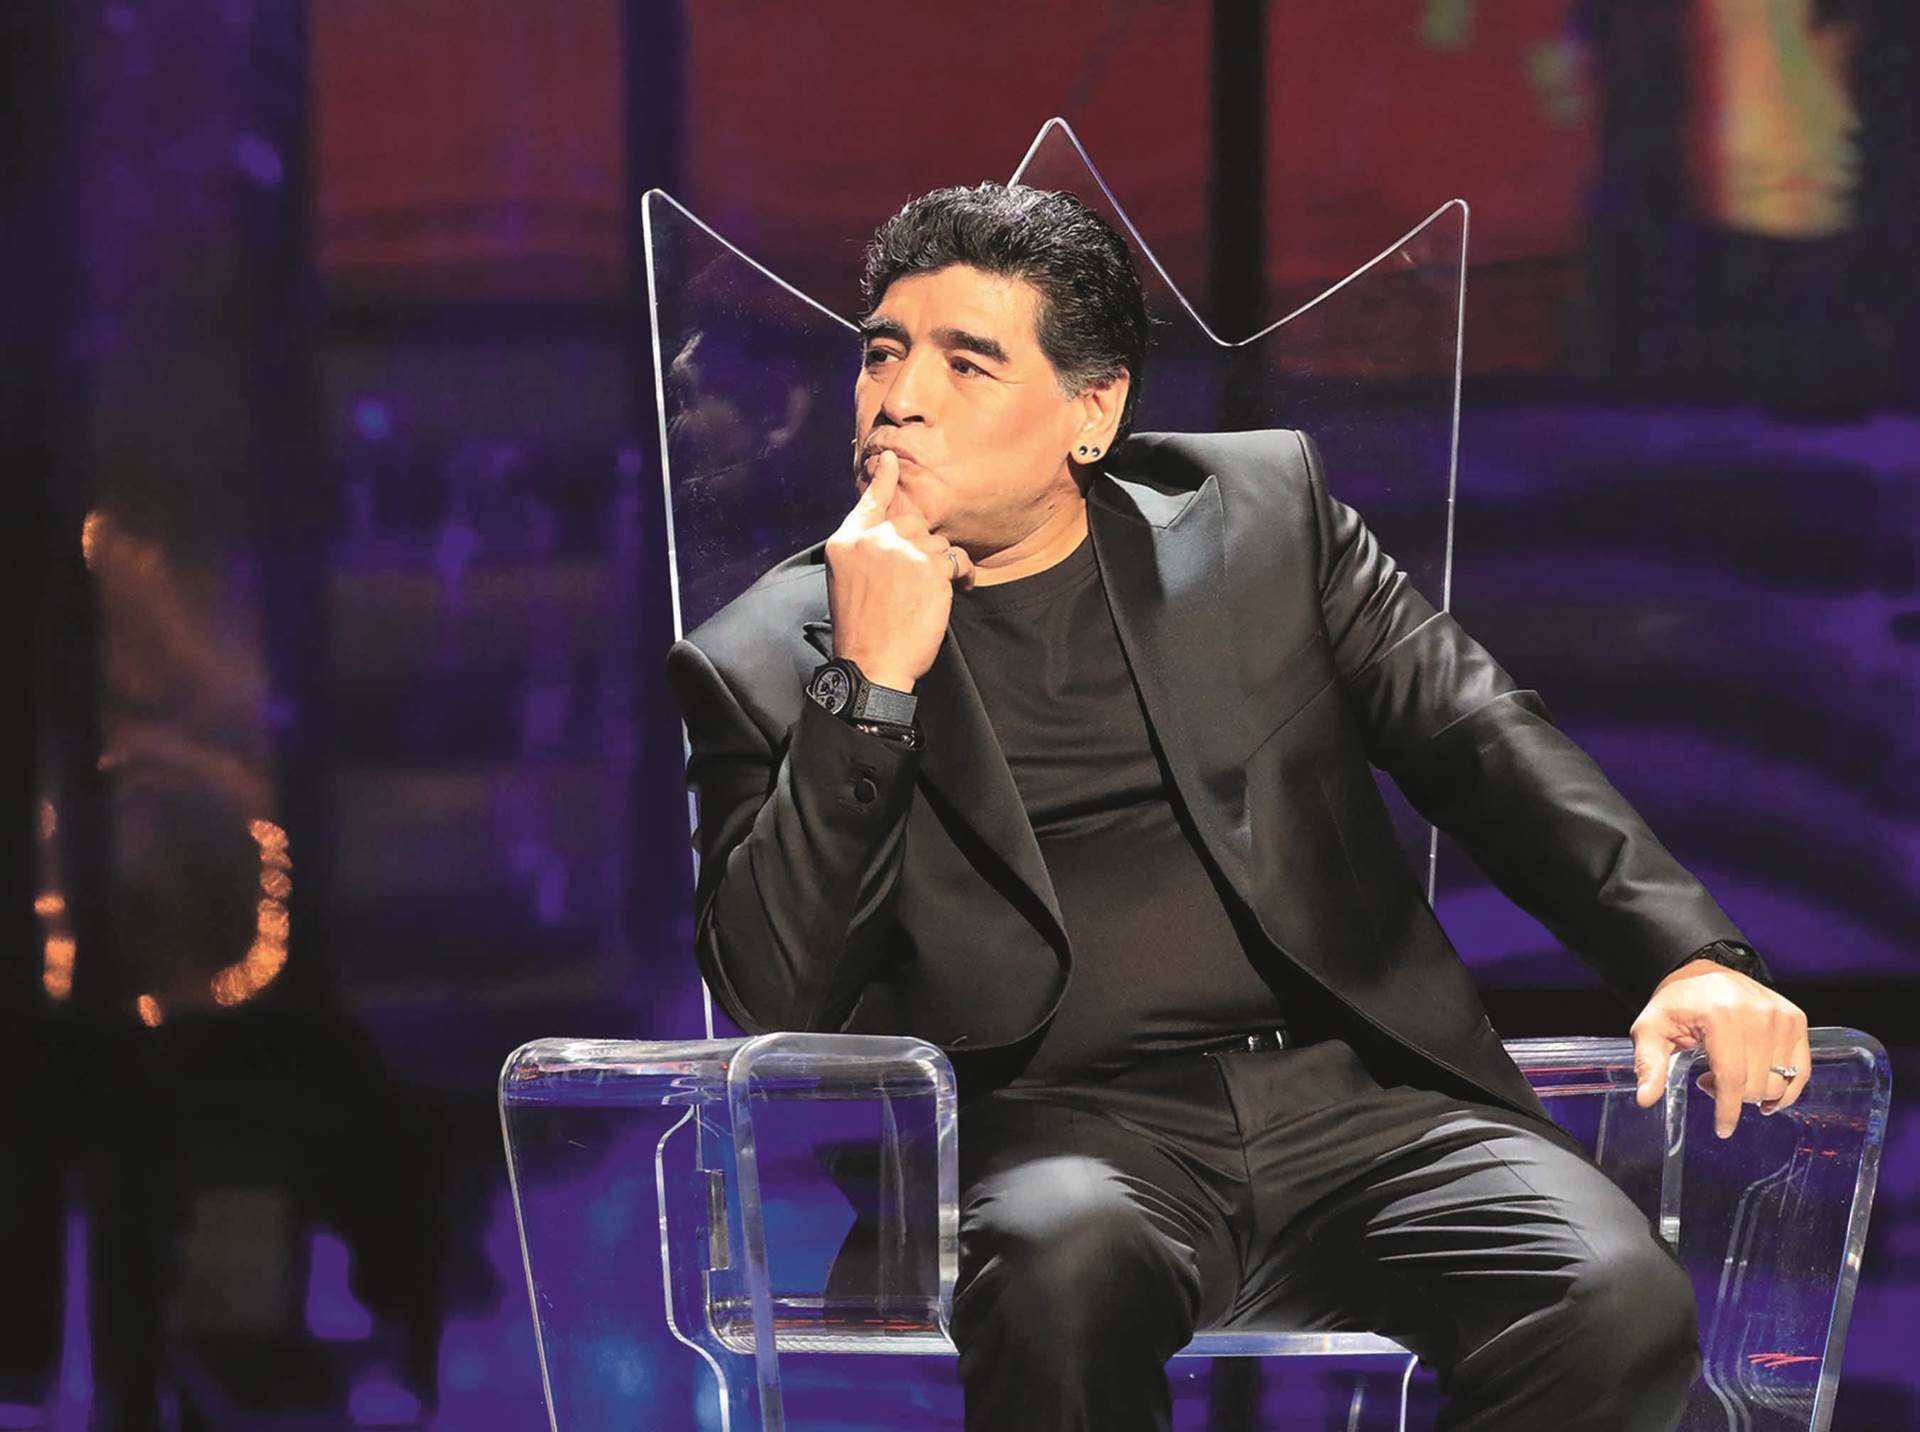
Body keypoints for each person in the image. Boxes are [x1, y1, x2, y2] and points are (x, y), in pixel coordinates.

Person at [663, 182, 1809, 1431]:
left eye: (967, 363)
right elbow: (775, 991)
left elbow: (1479, 737)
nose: (901, 397)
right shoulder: (763, 658)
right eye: (883, 353)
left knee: (1613, 1297)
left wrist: (1688, 953)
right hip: (1053, 1139)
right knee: (1064, 1264)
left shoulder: (1259, 522)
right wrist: (870, 688)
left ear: (1092, 413)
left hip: (1363, 1106)